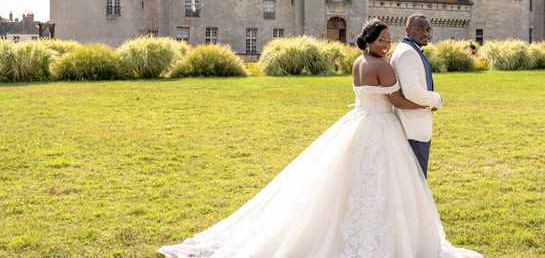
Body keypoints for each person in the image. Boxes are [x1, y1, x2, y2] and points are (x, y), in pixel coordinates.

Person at [158, 20, 482, 257]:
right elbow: (397, 101)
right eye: (382, 39)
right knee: (380, 183)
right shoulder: (382, 67)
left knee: (346, 181)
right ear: (369, 40)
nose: (386, 44)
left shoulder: (358, 63)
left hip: (359, 120)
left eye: (388, 39)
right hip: (380, 126)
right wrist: (430, 103)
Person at [390, 13, 440, 178]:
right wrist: (436, 100)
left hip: (412, 126)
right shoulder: (407, 53)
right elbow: (413, 92)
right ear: (407, 30)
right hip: (413, 128)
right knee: (416, 181)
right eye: (419, 28)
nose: (425, 33)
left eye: (427, 29)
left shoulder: (410, 50)